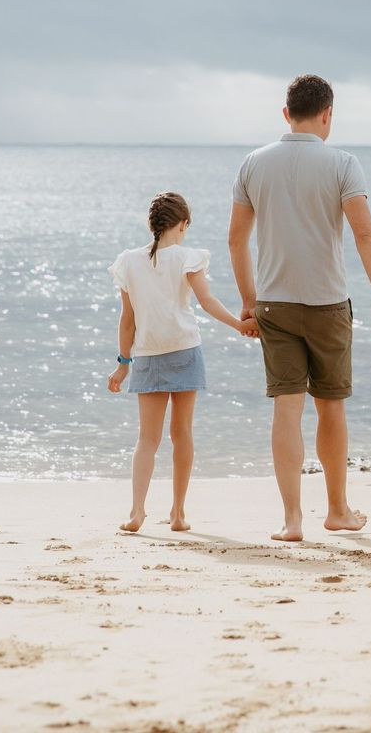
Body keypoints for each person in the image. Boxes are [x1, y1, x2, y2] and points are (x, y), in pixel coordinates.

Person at [228, 75, 371, 542]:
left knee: (286, 409)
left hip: (274, 303)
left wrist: (248, 300)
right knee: (331, 407)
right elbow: (366, 235)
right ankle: (338, 510)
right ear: (328, 114)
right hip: (327, 303)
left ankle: (291, 520)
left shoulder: (253, 163)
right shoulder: (343, 163)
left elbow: (236, 238)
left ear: (286, 114)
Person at [107, 192, 257, 533]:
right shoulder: (188, 257)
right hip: (185, 349)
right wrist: (239, 324)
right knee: (182, 433)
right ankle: (177, 513)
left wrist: (122, 363)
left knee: (147, 438)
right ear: (183, 224)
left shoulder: (128, 261)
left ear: (155, 225)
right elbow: (206, 301)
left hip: (146, 353)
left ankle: (137, 512)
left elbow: (126, 320)